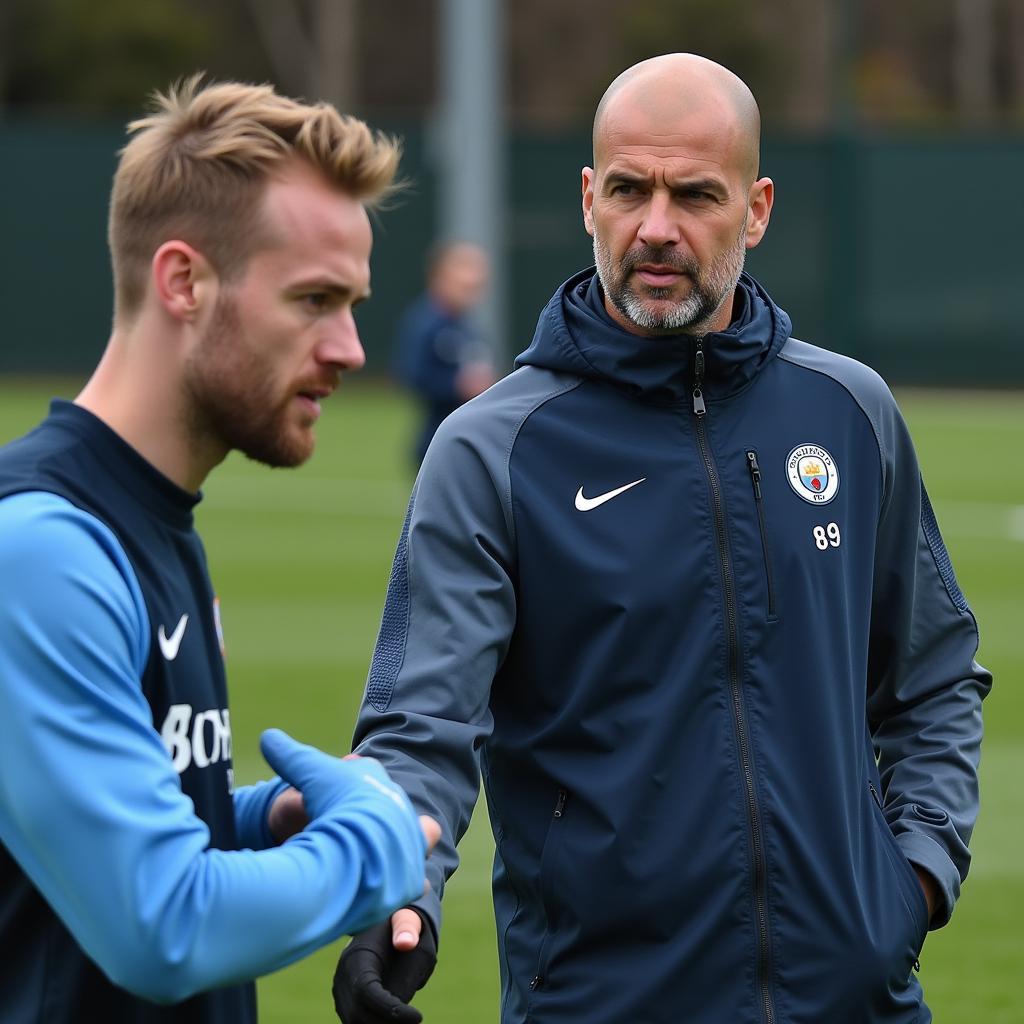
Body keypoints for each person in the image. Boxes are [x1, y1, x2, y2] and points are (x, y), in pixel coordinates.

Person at [332, 54, 991, 1024]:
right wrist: (400, 897)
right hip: (605, 1003)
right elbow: (421, 727)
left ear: (755, 209)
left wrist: (915, 876)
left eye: (695, 195)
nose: (656, 227)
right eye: (631, 190)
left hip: (857, 1001)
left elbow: (932, 677)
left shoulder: (849, 412)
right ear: (590, 199)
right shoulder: (493, 450)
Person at [0, 75, 442, 1023]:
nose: (351, 348)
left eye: (354, 302)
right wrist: (373, 844)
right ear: (183, 280)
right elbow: (162, 925)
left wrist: (262, 822)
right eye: (314, 299)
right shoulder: (40, 553)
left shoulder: (156, 523)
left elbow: (85, 840)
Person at [393, 240, 495, 464]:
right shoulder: (426, 322)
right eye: (465, 269)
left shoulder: (467, 325)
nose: (474, 279)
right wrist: (458, 385)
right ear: (440, 276)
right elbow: (413, 374)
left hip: (471, 437)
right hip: (436, 439)